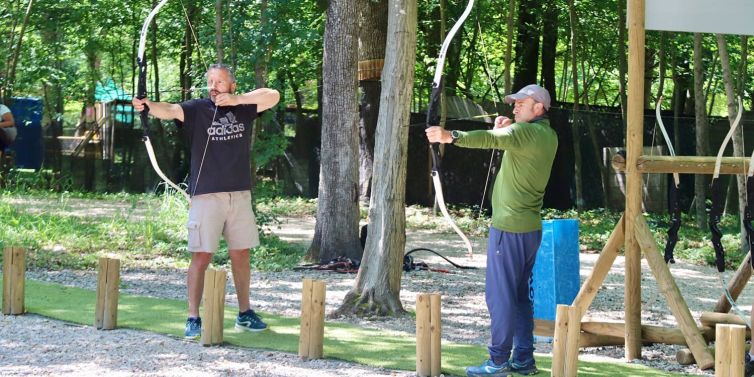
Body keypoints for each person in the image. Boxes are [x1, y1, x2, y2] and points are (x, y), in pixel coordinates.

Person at [132, 64, 280, 339]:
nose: (214, 86)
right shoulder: (197, 109)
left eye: (220, 82)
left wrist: (238, 100)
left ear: (232, 86)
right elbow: (171, 110)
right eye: (210, 81)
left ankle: (245, 314)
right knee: (201, 256)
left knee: (242, 253)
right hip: (206, 195)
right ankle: (193, 316)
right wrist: (148, 105)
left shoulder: (243, 107)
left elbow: (273, 95)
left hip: (239, 194)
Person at [426, 84, 558, 377]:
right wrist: (509, 127)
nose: (514, 107)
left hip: (509, 230)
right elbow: (510, 138)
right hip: (529, 230)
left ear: (539, 107)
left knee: (500, 296)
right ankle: (523, 360)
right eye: (514, 104)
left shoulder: (526, 134)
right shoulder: (545, 135)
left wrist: (450, 137)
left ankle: (498, 361)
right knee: (520, 296)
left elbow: (487, 139)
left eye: (521, 103)